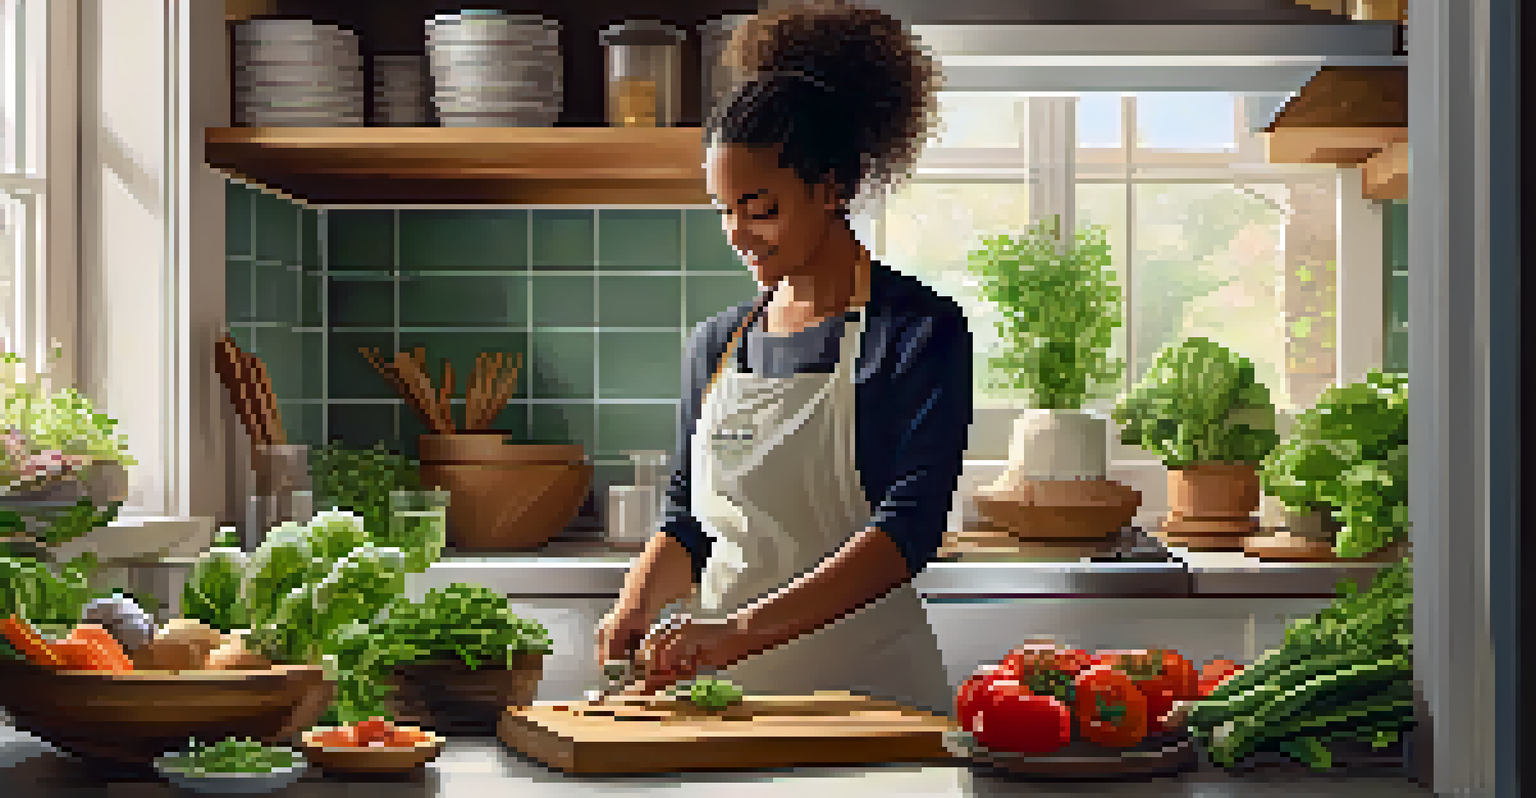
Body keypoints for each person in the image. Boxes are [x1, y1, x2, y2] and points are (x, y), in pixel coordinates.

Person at [593, 0, 969, 716]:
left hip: (871, 702)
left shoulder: (918, 331)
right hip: (723, 702)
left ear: (833, 187)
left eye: (760, 208)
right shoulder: (717, 342)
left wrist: (738, 631)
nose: (737, 233)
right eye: (724, 209)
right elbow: (688, 523)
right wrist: (636, 601)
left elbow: (906, 532)